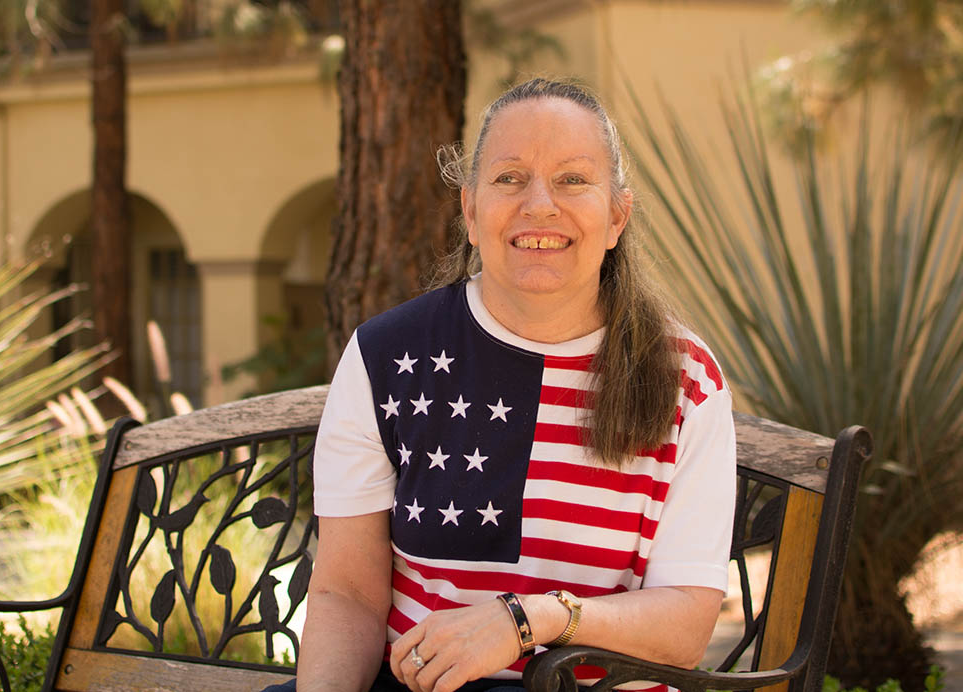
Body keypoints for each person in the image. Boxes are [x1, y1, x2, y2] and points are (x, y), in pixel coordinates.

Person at [279, 78, 735, 692]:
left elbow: (685, 627)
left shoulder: (688, 381)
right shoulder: (385, 357)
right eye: (510, 178)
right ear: (470, 212)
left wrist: (529, 619)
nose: (539, 205)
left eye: (572, 179)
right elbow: (348, 595)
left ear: (616, 217)